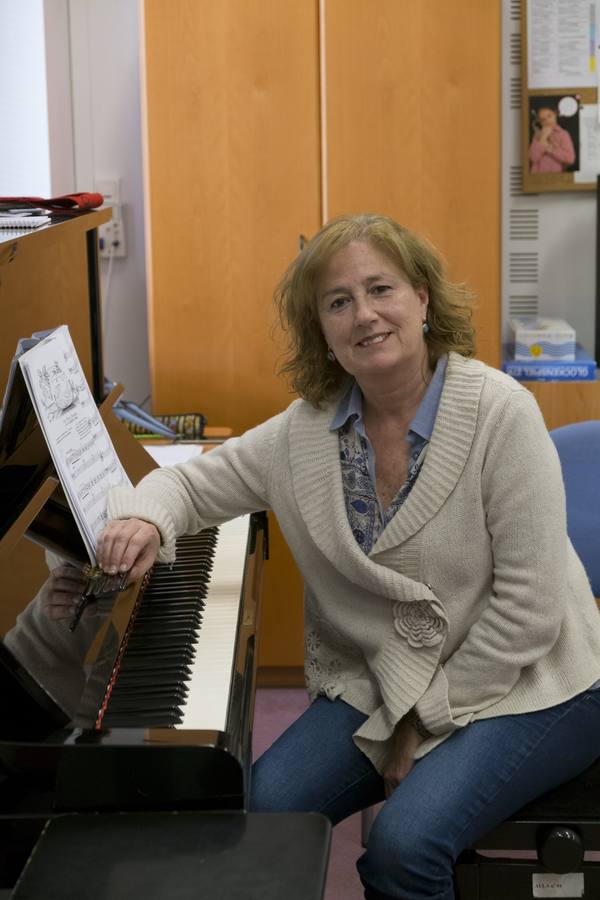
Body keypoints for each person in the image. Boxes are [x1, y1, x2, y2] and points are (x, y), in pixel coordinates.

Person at [97, 213, 600, 900]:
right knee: (264, 813)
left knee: (402, 847)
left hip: (535, 681)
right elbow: (185, 482)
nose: (364, 314)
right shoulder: (300, 435)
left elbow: (531, 611)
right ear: (324, 334)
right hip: (385, 680)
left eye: (380, 289)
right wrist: (144, 519)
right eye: (338, 303)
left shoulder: (501, 414)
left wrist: (419, 725)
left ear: (423, 299)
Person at [529, 105, 576, 173]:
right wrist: (543, 138)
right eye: (543, 120)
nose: (547, 121)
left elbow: (570, 159)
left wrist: (549, 148)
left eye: (549, 116)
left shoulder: (563, 134)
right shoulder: (537, 135)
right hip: (537, 175)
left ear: (555, 114)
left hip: (554, 174)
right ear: (540, 122)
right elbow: (533, 158)